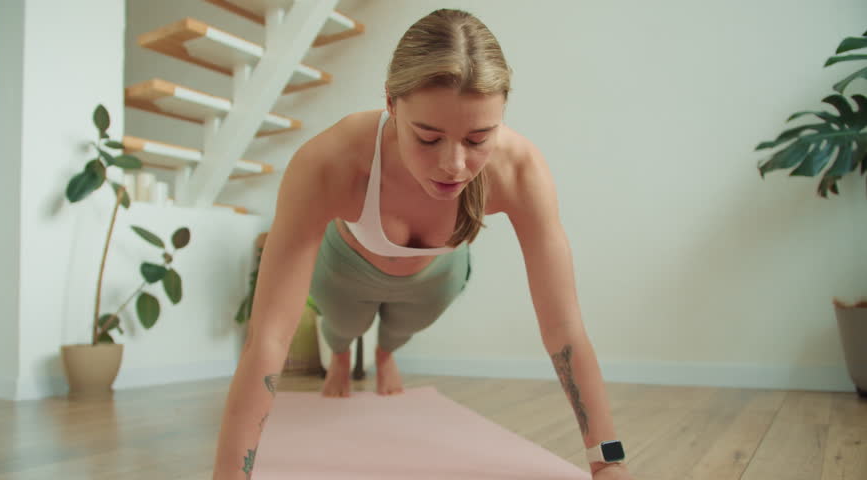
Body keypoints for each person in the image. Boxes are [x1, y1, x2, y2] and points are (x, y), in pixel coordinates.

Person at [212, 8, 633, 480]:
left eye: (478, 139)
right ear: (391, 104)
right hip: (347, 265)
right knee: (344, 323)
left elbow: (564, 329)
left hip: (435, 272)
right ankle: (343, 353)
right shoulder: (330, 162)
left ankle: (385, 352)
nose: (454, 165)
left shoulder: (520, 170)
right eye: (428, 138)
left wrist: (608, 461)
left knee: (402, 328)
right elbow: (270, 336)